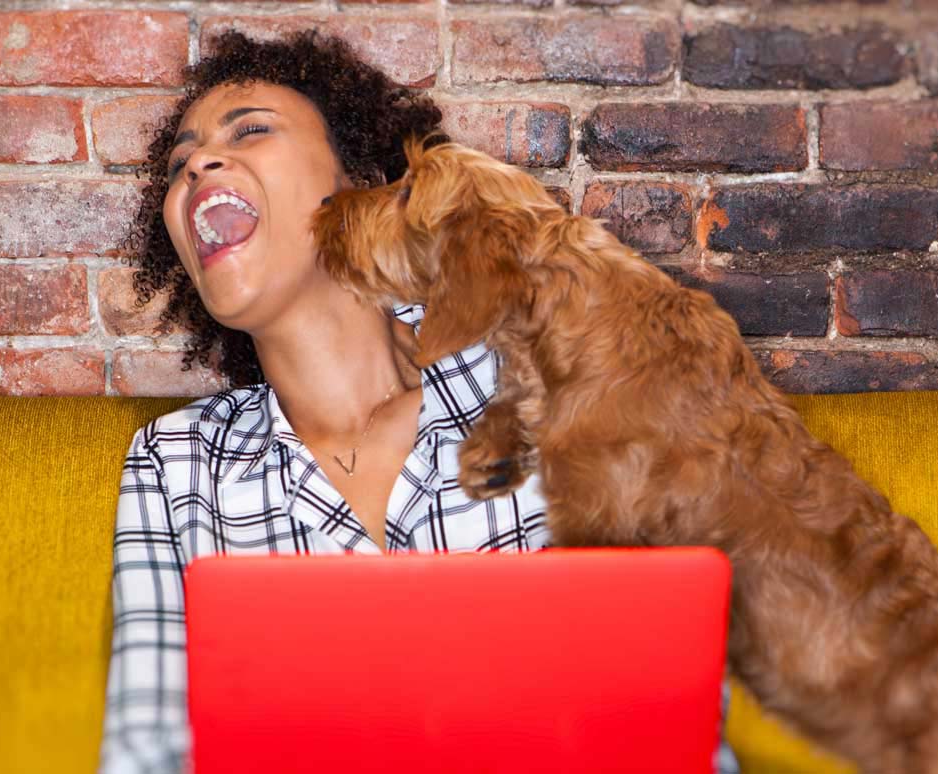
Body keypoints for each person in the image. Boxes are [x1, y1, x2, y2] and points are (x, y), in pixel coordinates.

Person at [98, 29, 738, 774]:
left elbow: (666, 717)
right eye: (180, 165)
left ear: (361, 183)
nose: (199, 163)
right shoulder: (174, 465)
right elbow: (147, 751)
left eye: (251, 131)